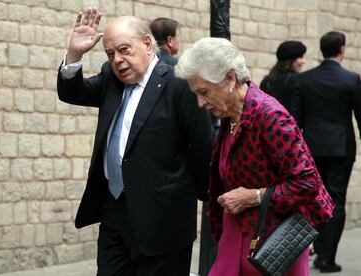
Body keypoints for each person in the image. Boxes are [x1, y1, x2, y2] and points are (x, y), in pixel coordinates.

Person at [57, 8, 213, 276]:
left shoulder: (180, 85)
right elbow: (73, 92)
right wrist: (74, 54)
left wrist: (200, 204)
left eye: (124, 50)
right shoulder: (111, 78)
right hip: (115, 213)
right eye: (110, 53)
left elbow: (203, 149)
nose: (117, 60)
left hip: (163, 221)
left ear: (147, 44)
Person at [175, 37, 334, 276]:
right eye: (196, 94)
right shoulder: (231, 115)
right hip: (239, 231)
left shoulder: (269, 115)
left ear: (230, 78)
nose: (200, 103)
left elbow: (307, 183)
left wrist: (253, 196)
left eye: (204, 92)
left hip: (274, 241)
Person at [291, 31, 361, 273]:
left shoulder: (305, 80)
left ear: (321, 50)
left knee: (312, 198)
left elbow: (295, 119)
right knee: (336, 200)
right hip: (341, 147)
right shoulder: (351, 79)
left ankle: (317, 248)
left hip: (311, 148)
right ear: (342, 48)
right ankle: (327, 257)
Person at [260, 40, 306, 112]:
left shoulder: (267, 81)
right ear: (291, 59)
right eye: (300, 57)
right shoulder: (298, 80)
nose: (303, 62)